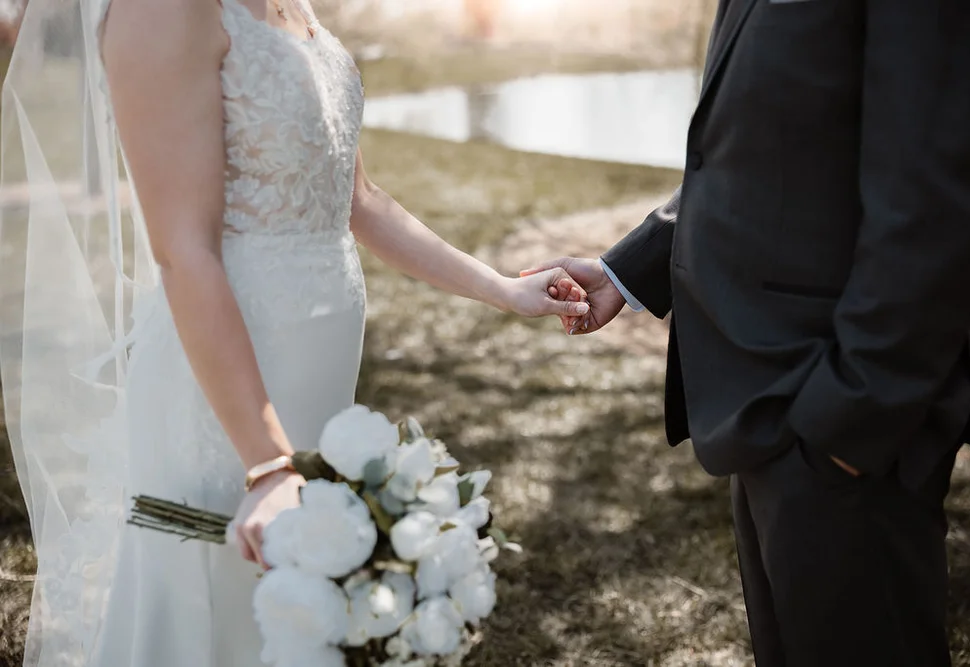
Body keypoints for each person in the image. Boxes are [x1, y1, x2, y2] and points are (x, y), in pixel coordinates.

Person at [0, 0, 589, 665]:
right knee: (223, 612)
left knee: (298, 613)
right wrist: (267, 461)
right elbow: (183, 251)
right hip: (224, 388)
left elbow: (357, 198)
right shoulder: (161, 11)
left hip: (319, 372)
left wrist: (502, 289)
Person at [526, 1, 970, 665]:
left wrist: (847, 421)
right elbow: (758, 147)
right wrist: (628, 270)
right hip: (768, 402)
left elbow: (937, 198)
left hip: (842, 418)